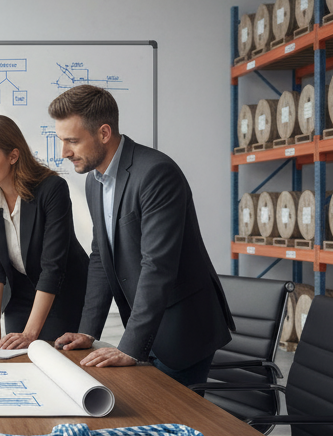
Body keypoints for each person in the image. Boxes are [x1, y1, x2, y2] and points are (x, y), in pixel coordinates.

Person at [47, 85, 233, 388]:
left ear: (104, 133)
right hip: (146, 330)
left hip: (182, 331)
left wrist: (129, 347)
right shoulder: (95, 181)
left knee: (170, 427)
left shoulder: (156, 173)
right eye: (61, 140)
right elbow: (101, 257)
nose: (64, 152)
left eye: (72, 141)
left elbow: (157, 266)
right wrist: (88, 332)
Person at [0, 114, 88, 349]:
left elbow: (53, 267)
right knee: (13, 354)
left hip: (62, 293)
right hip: (19, 293)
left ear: (13, 156)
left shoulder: (52, 189)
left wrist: (30, 334)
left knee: (52, 355)